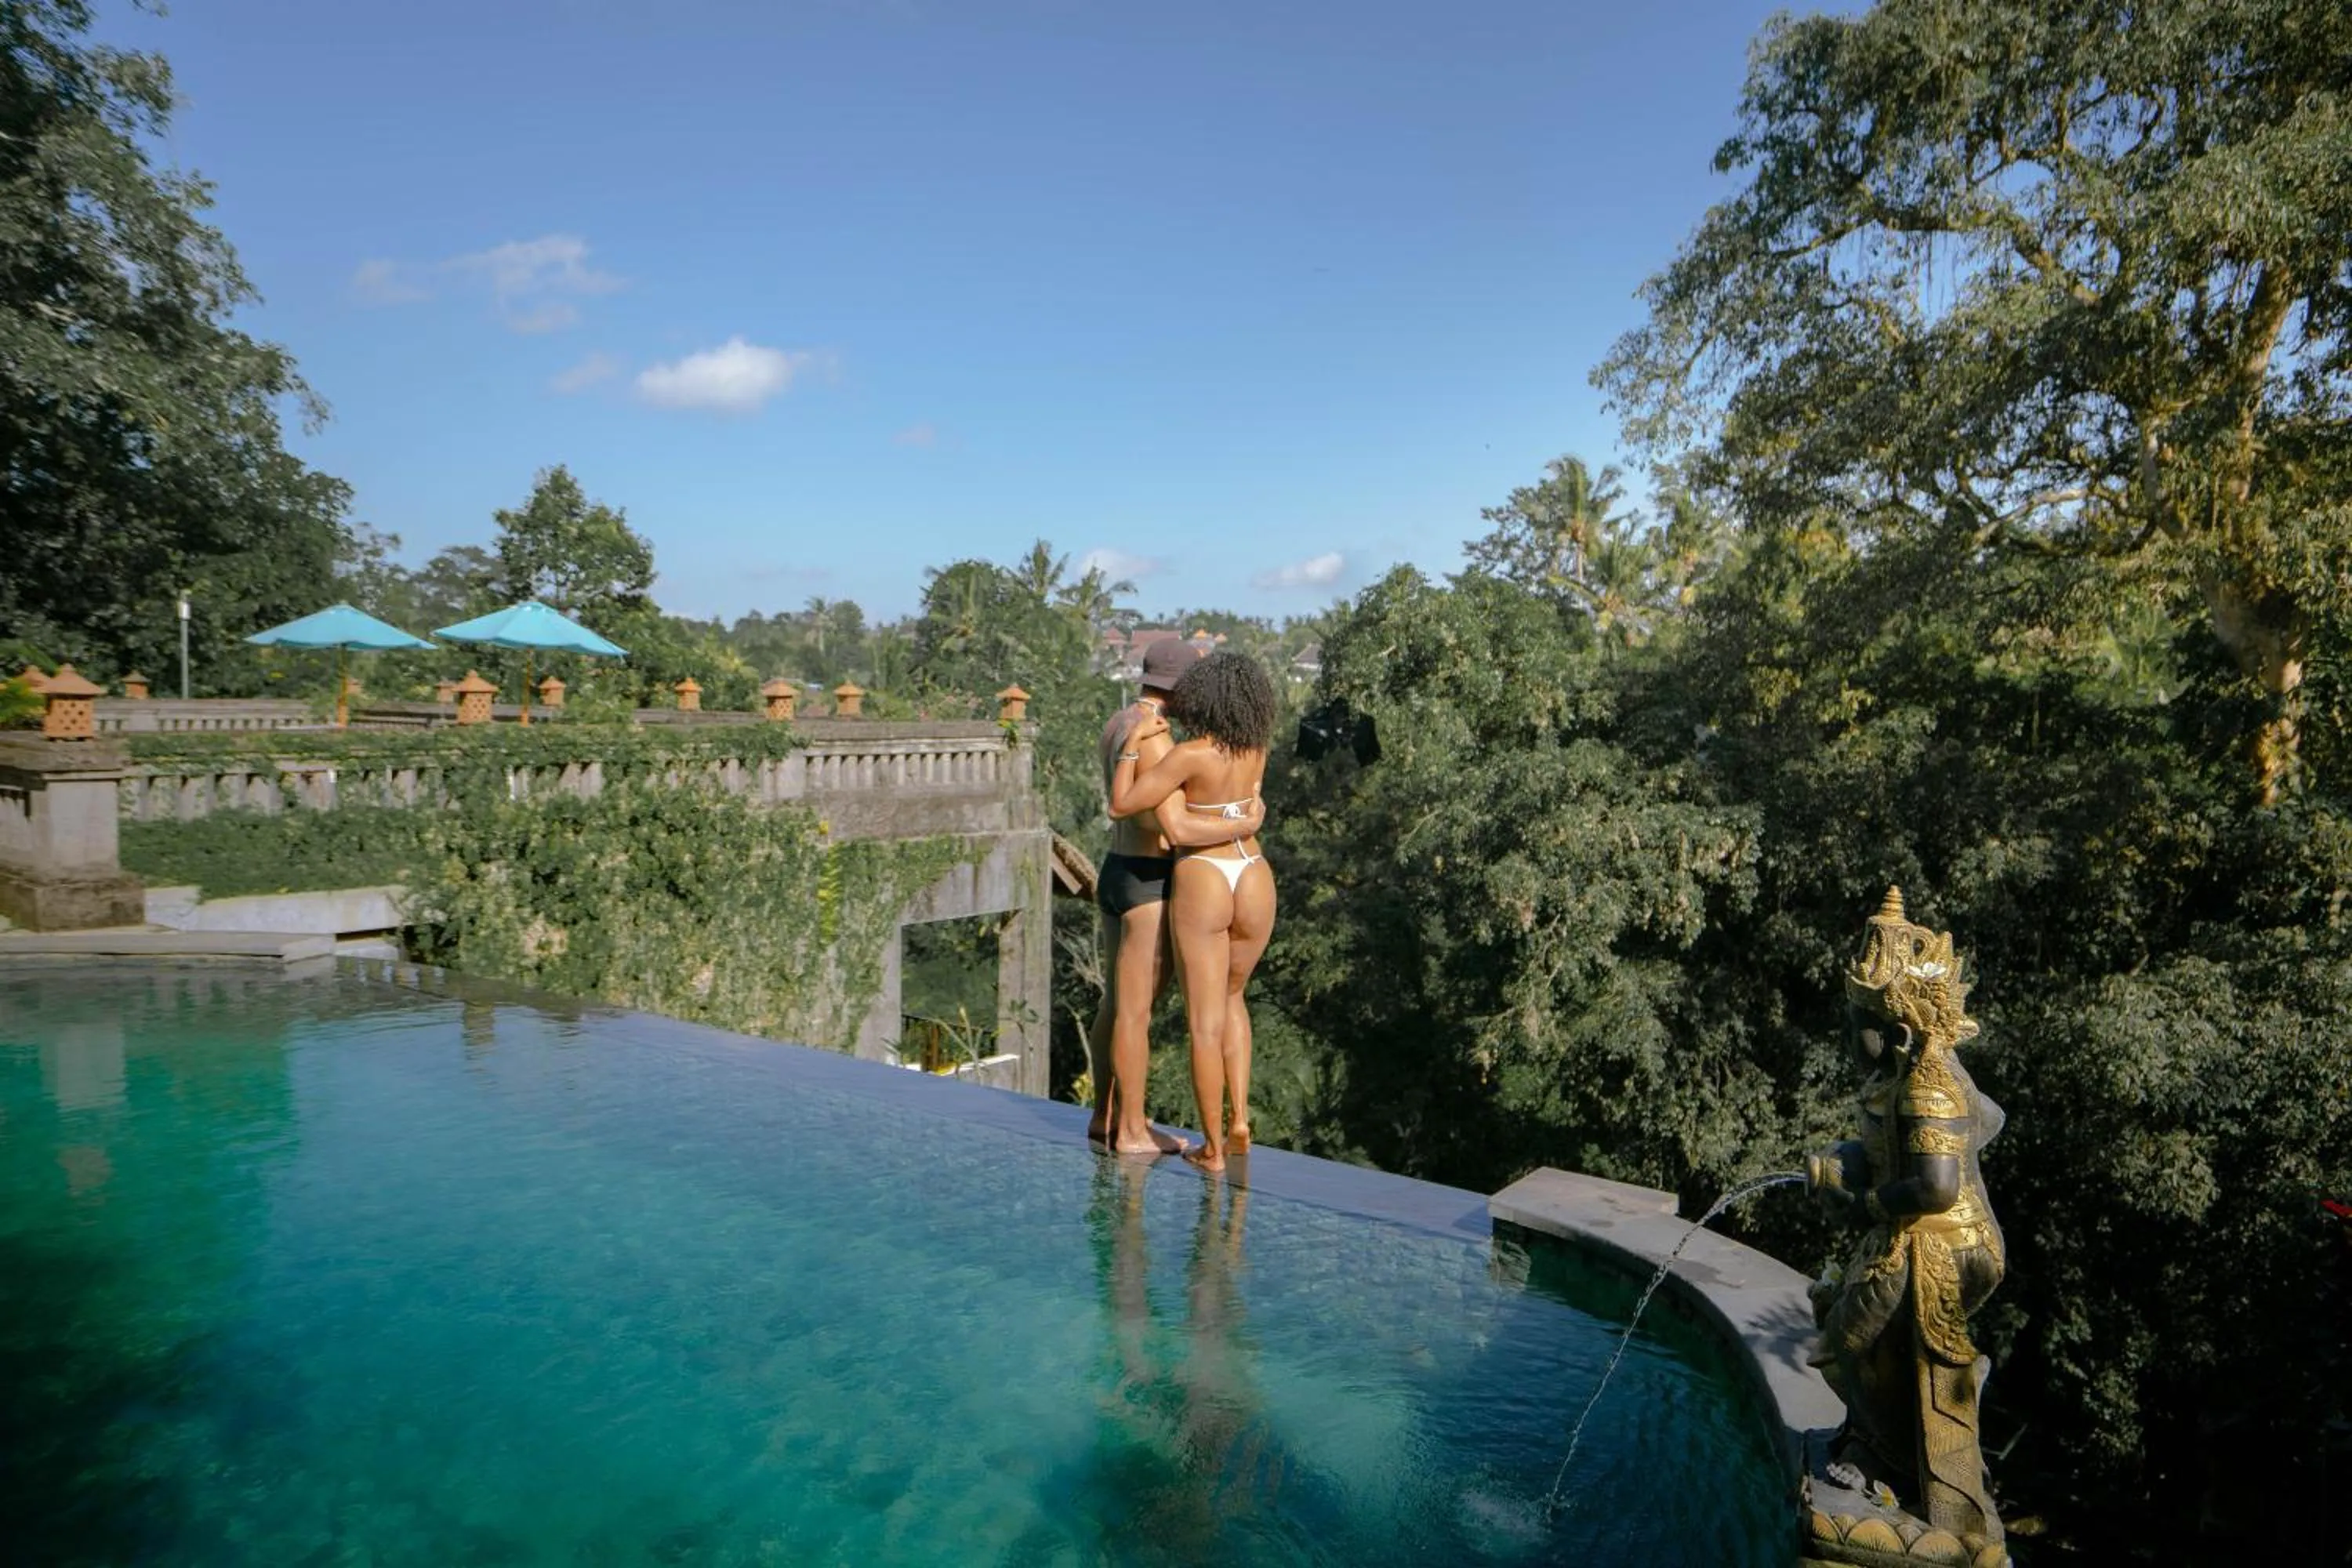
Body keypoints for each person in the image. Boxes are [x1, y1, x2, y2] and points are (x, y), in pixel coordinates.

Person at [1088, 638, 1266, 1155]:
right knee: (1136, 1013)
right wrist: (1242, 820)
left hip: (1116, 869)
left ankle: (1105, 1116)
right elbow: (1175, 826)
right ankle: (1132, 1130)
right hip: (1150, 879)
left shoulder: (1119, 722)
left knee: (1116, 1004)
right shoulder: (1160, 740)